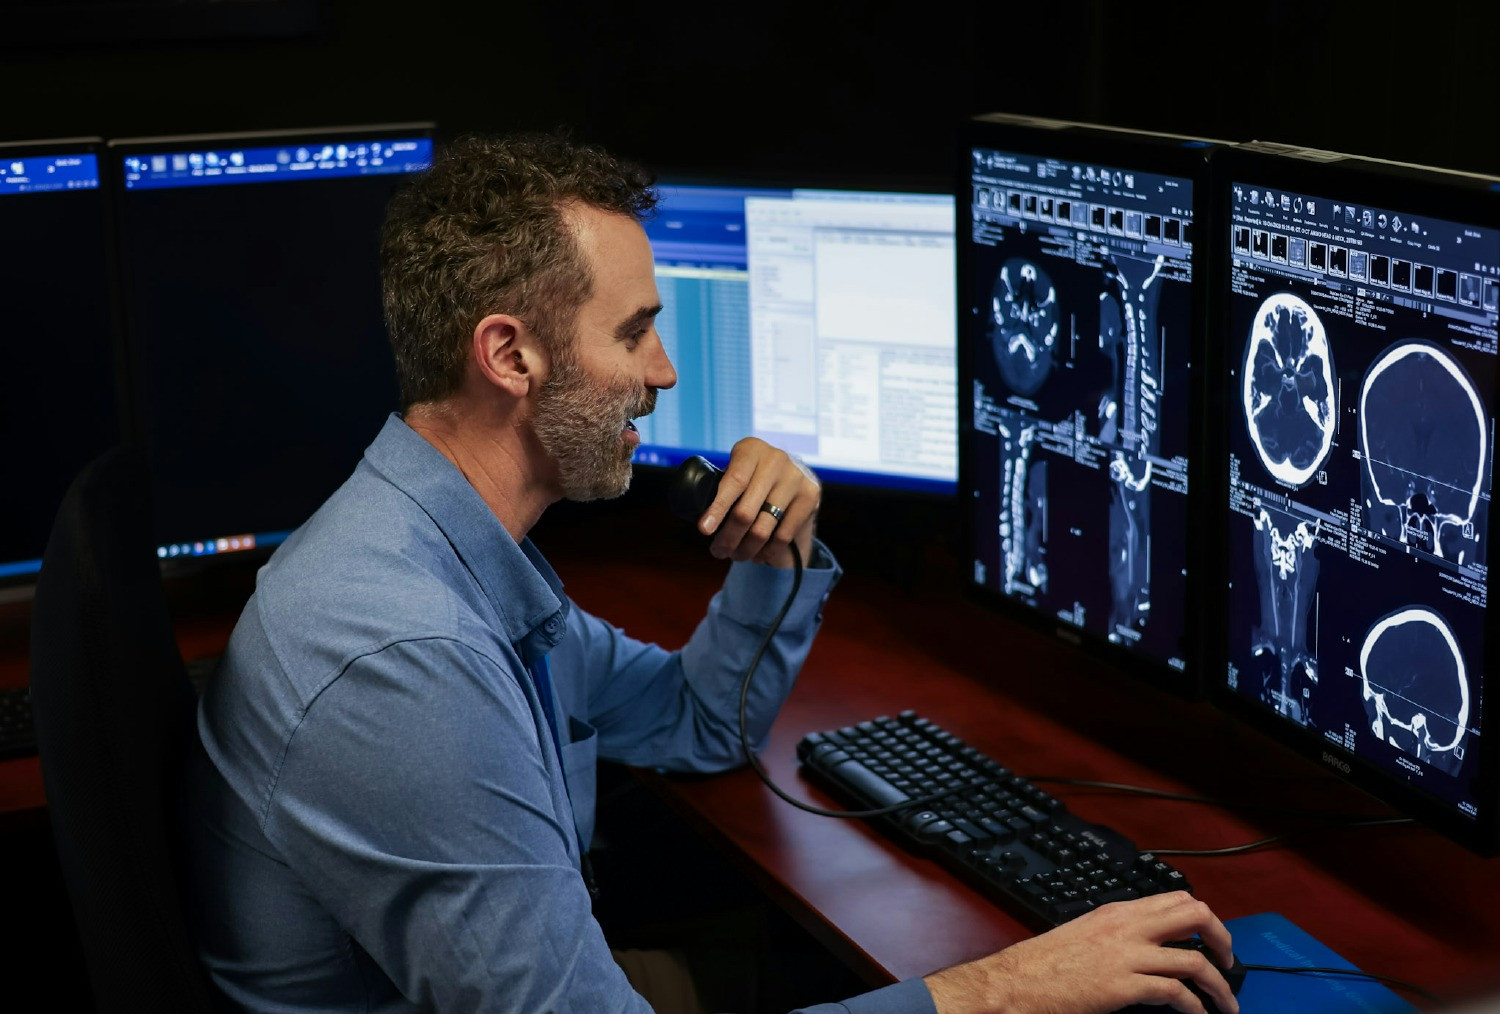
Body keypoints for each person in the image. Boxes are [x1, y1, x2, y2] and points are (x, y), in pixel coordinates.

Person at [181, 131, 1239, 1014]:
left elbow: (698, 723)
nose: (664, 372)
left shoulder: (442, 546)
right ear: (510, 357)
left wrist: (774, 561)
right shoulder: (406, 658)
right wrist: (1001, 990)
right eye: (634, 331)